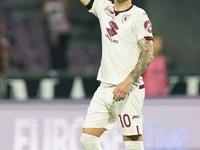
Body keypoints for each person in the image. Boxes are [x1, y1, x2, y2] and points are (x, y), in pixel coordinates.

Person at [79, 0, 154, 150]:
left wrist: (128, 80)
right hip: (105, 87)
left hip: (128, 89)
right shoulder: (103, 7)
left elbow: (148, 54)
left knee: (132, 142)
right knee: (87, 140)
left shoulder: (139, 16)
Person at [42, 0, 72, 70]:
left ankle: (63, 67)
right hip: (51, 29)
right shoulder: (47, 3)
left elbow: (69, 14)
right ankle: (54, 67)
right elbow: (43, 16)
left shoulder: (63, 2)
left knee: (62, 50)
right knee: (53, 50)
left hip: (62, 29)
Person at [142, 32, 169, 96]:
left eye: (160, 43)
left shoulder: (162, 60)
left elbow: (164, 79)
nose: (158, 45)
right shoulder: (143, 59)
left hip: (161, 97)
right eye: (156, 43)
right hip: (147, 97)